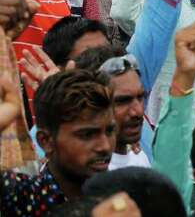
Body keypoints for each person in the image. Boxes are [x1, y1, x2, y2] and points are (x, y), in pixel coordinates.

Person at [0, 70, 114, 215]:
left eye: (110, 131)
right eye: (87, 135)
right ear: (46, 141)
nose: (105, 146)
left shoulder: (127, 197)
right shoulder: (22, 198)